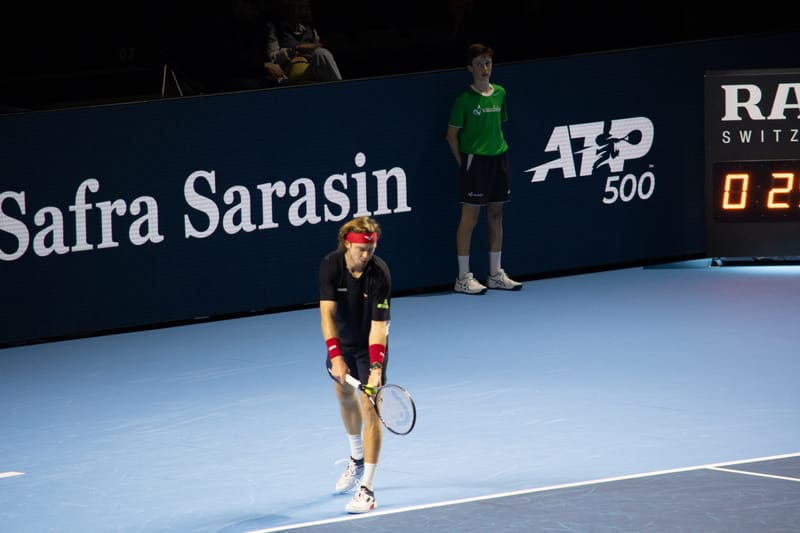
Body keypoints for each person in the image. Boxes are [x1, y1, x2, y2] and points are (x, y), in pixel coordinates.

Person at [319, 216, 391, 514]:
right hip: (344, 343)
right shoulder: (330, 266)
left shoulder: (380, 274)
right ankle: (356, 459)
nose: (367, 255)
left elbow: (379, 326)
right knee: (344, 396)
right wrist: (336, 356)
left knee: (371, 408)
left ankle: (368, 489)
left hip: (369, 347)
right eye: (362, 249)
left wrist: (376, 366)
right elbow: (327, 316)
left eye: (371, 249)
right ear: (347, 243)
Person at [446, 43, 522, 294]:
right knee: (470, 218)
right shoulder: (464, 100)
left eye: (487, 62)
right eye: (478, 64)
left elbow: (498, 125)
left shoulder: (501, 93)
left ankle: (495, 274)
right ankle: (462, 277)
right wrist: (463, 163)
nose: (484, 68)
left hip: (499, 158)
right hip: (474, 161)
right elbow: (451, 135)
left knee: (496, 214)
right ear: (470, 68)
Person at [268, 0, 342, 82]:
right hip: (289, 72)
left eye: (303, 7)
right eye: (297, 6)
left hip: (309, 68)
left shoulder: (310, 30)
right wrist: (296, 49)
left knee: (321, 53)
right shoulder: (276, 29)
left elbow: (318, 52)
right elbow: (272, 58)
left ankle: (338, 87)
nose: (301, 10)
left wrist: (313, 49)